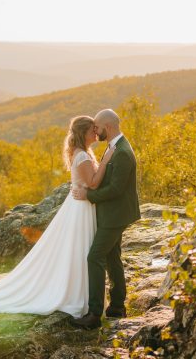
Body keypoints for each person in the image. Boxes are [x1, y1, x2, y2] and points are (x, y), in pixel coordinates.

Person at [0, 115, 114, 317]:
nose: (96, 132)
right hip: (81, 208)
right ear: (84, 133)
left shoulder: (83, 152)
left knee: (80, 251)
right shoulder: (82, 156)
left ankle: (83, 293)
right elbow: (92, 183)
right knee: (80, 250)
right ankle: (77, 295)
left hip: (82, 205)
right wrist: (105, 162)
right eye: (92, 129)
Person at [69, 108, 140, 330]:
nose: (96, 131)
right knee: (112, 257)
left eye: (97, 127)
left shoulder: (122, 152)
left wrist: (88, 195)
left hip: (115, 214)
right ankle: (117, 306)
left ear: (107, 128)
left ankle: (94, 314)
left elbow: (116, 189)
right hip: (112, 212)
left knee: (94, 257)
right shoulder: (114, 147)